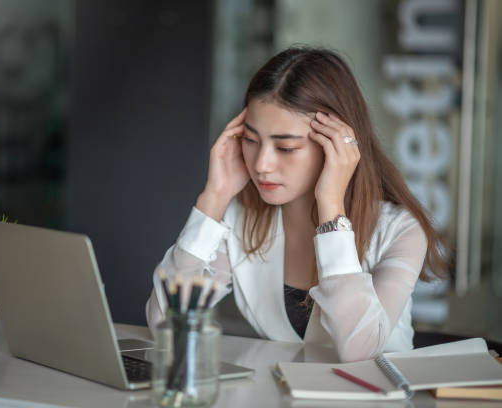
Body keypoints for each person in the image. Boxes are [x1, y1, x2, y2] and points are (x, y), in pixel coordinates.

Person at [145, 46, 448, 362]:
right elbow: (166, 322)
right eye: (250, 140)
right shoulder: (242, 218)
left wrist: (331, 206)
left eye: (286, 148)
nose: (262, 164)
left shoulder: (399, 230)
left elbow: (360, 353)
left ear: (335, 145)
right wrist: (213, 199)